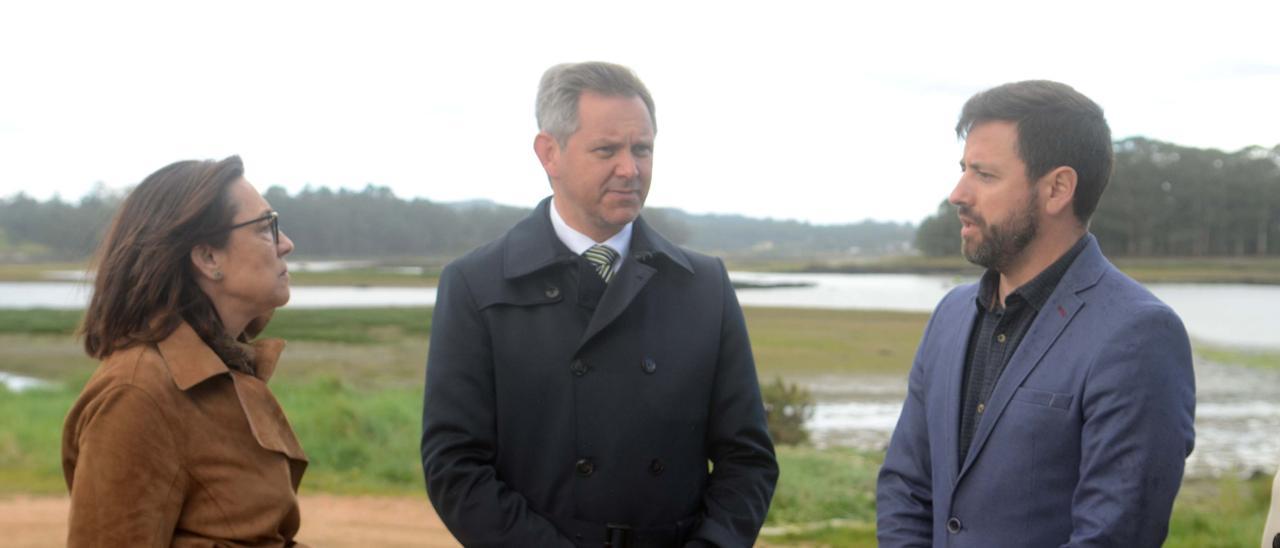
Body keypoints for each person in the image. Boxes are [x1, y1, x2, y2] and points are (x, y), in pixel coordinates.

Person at [420, 61, 778, 547]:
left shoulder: (704, 285)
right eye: (607, 150)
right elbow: (454, 468)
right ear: (549, 153)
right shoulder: (475, 285)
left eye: (642, 149)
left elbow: (748, 459)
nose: (630, 169)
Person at [876, 80, 1196, 547]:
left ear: (1057, 189)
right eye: (963, 169)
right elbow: (905, 487)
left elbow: (1114, 534)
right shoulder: (949, 315)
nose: (958, 194)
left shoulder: (1139, 334)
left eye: (984, 175)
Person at [63, 156, 307, 546]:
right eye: (265, 228)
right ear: (208, 257)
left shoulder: (220, 372)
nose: (286, 244)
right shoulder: (137, 394)